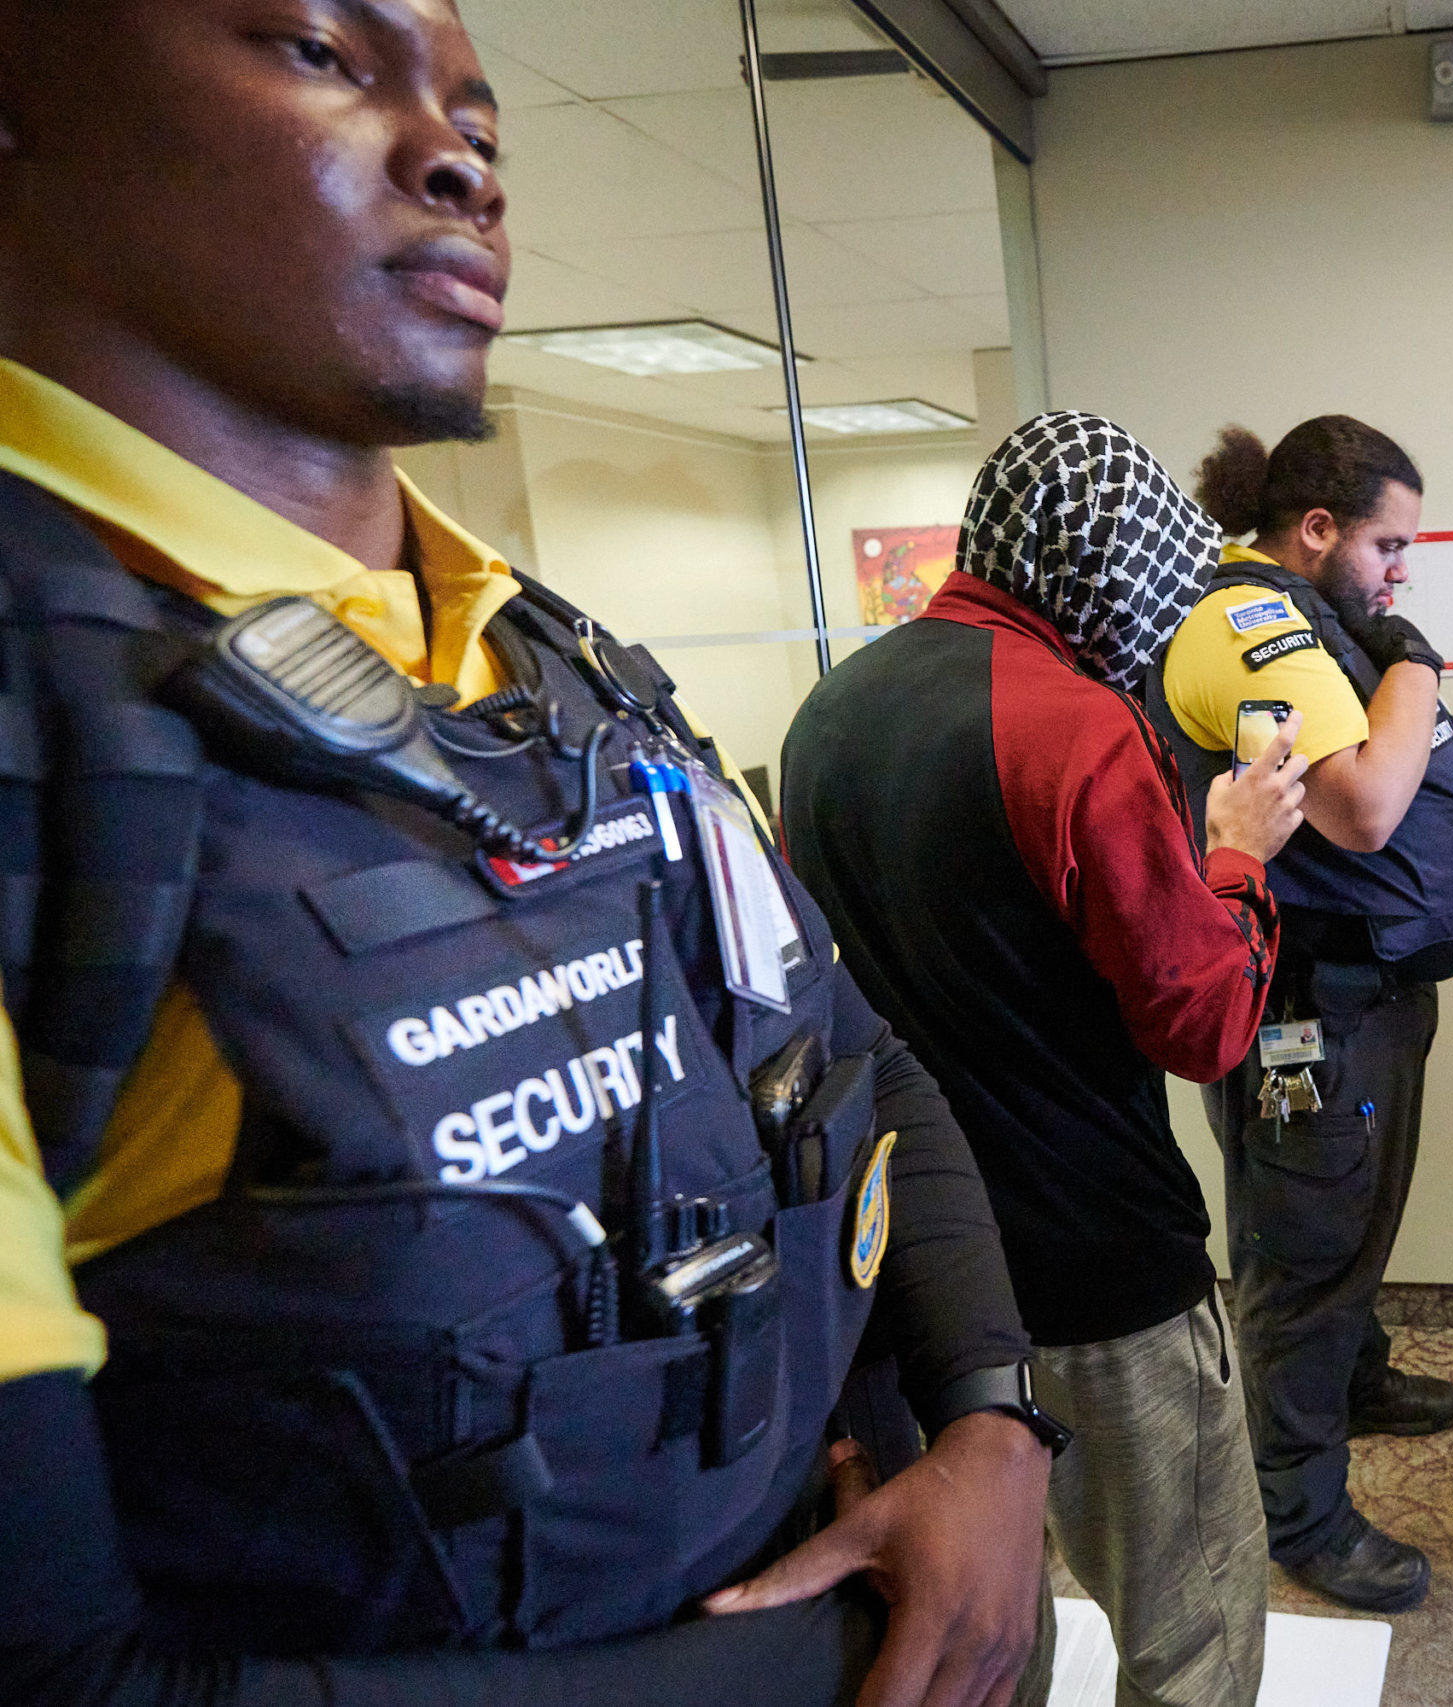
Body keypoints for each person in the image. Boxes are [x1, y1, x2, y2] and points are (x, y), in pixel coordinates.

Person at [0, 4, 1053, 1702]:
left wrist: (994, 1424)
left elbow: (848, 1050)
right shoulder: (54, 722)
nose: (458, 156)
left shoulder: (548, 660)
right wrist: (829, 1657)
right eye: (319, 52)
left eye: (476, 106)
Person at [781, 412, 1305, 1707]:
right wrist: (1235, 850)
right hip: (1100, 1270)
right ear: (1101, 556)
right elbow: (1204, 1021)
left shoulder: (828, 712)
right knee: (1190, 1629)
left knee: (989, 1627)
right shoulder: (1072, 727)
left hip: (918, 1273)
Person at [1147, 417, 1453, 1613]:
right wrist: (1414, 665)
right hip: (1309, 1014)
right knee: (1302, 1246)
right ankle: (1298, 1510)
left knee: (1338, 1220)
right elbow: (1357, 810)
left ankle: (1351, 1376)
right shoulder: (1252, 633)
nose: (1399, 572)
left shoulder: (1308, 628)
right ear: (1315, 530)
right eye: (1388, 546)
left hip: (1367, 996)